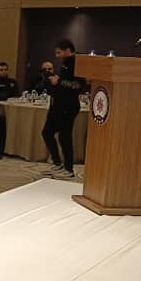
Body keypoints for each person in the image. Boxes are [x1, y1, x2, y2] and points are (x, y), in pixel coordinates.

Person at [42, 40, 86, 179]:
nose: (57, 56)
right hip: (58, 105)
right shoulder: (65, 63)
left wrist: (59, 81)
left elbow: (78, 85)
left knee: (65, 137)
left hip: (69, 106)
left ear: (67, 50)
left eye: (59, 52)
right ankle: (57, 162)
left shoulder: (77, 63)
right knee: (47, 132)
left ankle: (69, 168)